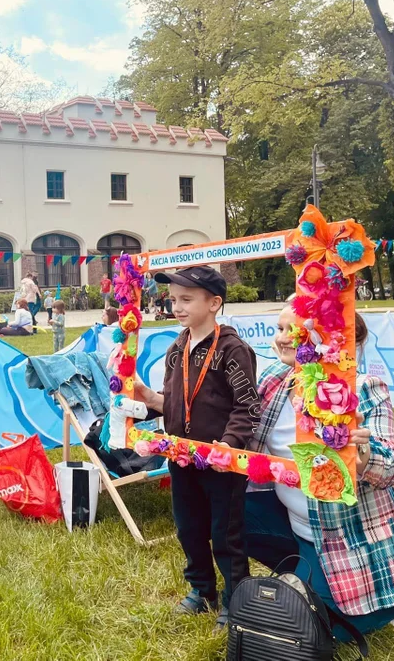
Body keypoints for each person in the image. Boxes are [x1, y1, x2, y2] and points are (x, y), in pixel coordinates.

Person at [245, 307, 394, 643]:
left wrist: (360, 456)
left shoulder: (361, 387)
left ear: (326, 337)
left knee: (324, 633)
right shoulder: (275, 379)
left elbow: (392, 466)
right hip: (298, 527)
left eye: (295, 330)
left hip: (348, 536)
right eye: (279, 328)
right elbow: (242, 431)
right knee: (226, 514)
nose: (283, 338)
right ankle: (307, 576)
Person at [135, 266, 259, 631]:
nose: (177, 306)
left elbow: (248, 406)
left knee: (226, 533)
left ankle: (237, 600)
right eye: (173, 299)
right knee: (188, 528)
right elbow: (177, 403)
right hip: (181, 457)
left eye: (186, 299)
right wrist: (150, 399)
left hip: (222, 463)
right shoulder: (177, 348)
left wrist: (229, 444)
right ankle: (202, 591)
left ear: (214, 303)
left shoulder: (233, 349)